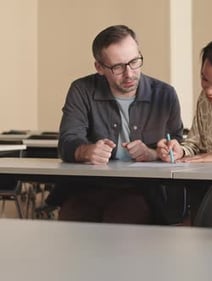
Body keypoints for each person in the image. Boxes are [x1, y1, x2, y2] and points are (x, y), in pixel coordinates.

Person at [50, 25, 184, 224]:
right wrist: (86, 151)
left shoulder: (165, 94)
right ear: (99, 68)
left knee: (122, 220)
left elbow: (177, 144)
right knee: (73, 221)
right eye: (118, 67)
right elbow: (67, 141)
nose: (129, 74)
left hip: (142, 190)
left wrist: (154, 153)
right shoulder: (81, 90)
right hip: (87, 186)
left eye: (134, 62)